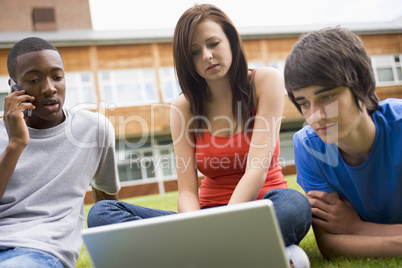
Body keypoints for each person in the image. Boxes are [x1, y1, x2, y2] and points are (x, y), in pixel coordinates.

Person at [88, 4, 311, 267]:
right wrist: (196, 231)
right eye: (195, 52)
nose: (207, 55)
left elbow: (257, 169)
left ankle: (195, 257)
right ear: (188, 60)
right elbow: (187, 192)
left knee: (294, 205)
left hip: (261, 209)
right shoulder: (183, 107)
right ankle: (240, 254)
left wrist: (218, 230)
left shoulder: (265, 81)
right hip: (205, 221)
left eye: (213, 43)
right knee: (102, 213)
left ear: (230, 39)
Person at [0, 37, 120, 268]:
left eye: (57, 77)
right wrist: (15, 144)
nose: (49, 87)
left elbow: (107, 202)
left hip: (39, 251)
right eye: (34, 80)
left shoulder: (93, 128)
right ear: (14, 87)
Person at [284, 27, 402, 259]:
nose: (315, 116)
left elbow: (347, 237)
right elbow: (331, 245)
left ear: (364, 86)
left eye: (327, 96)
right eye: (304, 103)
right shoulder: (308, 146)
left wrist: (358, 229)